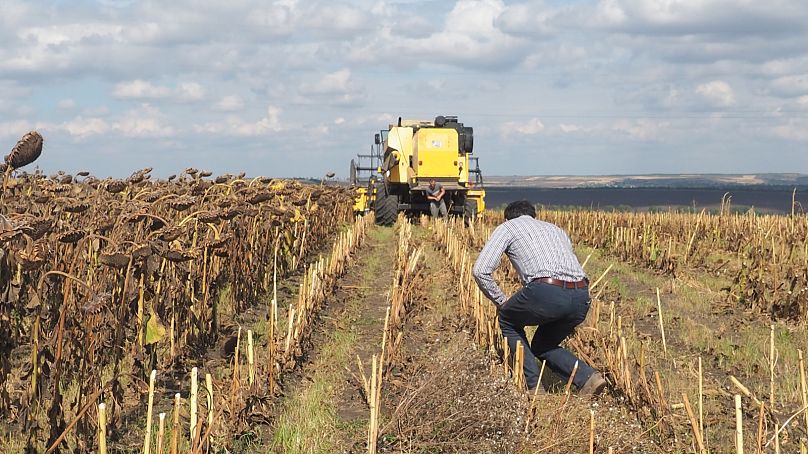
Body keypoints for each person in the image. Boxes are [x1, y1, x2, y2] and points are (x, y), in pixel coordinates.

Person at [472, 200, 606, 395]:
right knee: (544, 345)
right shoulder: (555, 229)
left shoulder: (508, 227)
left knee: (508, 320)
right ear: (533, 215)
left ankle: (533, 387)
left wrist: (501, 301)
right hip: (581, 295)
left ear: (508, 217)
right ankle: (588, 378)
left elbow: (480, 270)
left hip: (546, 291)